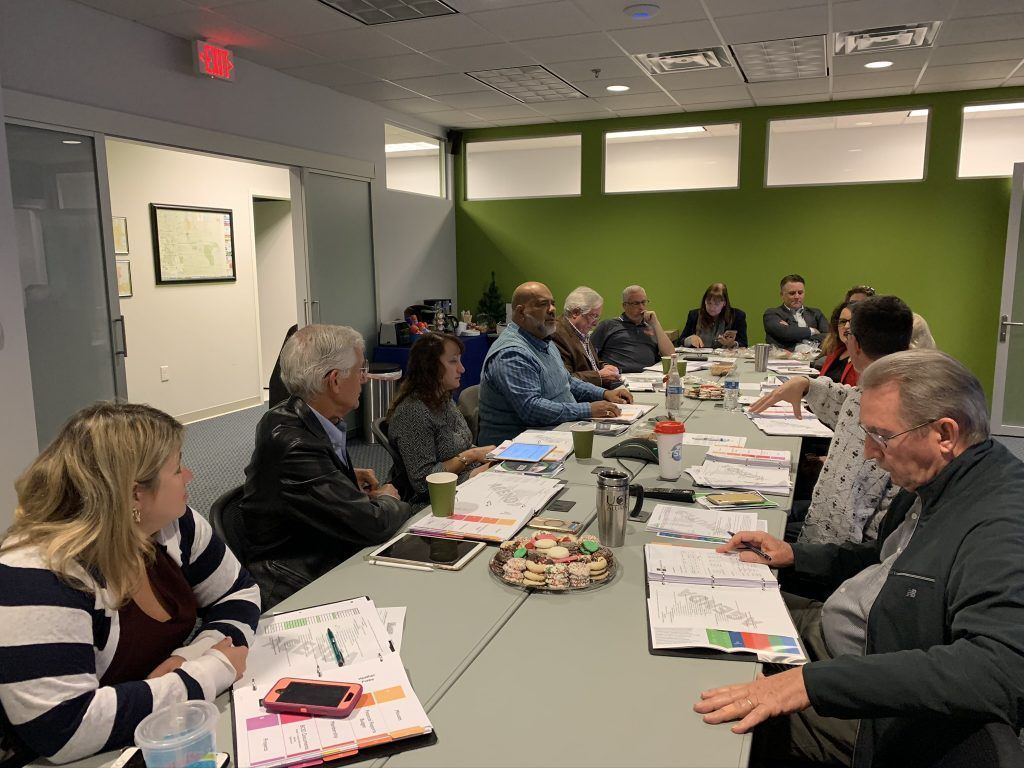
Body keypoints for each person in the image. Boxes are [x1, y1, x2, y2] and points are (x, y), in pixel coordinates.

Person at [695, 349, 1024, 768]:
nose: (869, 451)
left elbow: (1003, 669)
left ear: (945, 433)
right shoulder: (937, 479)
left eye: (881, 436)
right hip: (835, 643)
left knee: (705, 713)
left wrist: (812, 685)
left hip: (875, 709)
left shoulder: (1000, 521)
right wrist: (795, 553)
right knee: (712, 613)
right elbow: (881, 560)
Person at [0, 402, 260, 765]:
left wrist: (187, 655)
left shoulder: (172, 524)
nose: (190, 476)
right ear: (135, 494)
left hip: (145, 734)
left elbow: (239, 593)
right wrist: (212, 669)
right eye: (176, 468)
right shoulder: (37, 573)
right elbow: (64, 728)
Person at [240, 324, 410, 609]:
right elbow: (374, 524)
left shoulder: (290, 416)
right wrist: (389, 499)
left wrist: (339, 478)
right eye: (360, 371)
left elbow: (298, 486)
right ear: (334, 381)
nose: (365, 379)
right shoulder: (295, 445)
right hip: (296, 574)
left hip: (318, 545)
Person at [751, 296, 913, 545]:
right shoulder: (885, 392)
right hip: (833, 539)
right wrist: (806, 385)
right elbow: (847, 402)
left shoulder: (876, 413)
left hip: (834, 554)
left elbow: (842, 533)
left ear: (854, 344)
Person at [478, 282, 633, 446]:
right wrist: (587, 409)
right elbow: (531, 409)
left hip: (555, 433)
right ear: (521, 312)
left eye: (552, 303)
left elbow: (568, 380)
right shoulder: (512, 353)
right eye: (543, 304)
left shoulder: (544, 340)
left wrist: (603, 394)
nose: (552, 309)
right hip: (517, 446)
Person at [387, 333, 495, 500]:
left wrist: (484, 460)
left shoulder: (442, 399)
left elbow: (462, 444)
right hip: (437, 500)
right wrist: (472, 455)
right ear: (430, 367)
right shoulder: (413, 412)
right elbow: (425, 484)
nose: (462, 368)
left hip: (464, 481)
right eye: (453, 361)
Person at [591, 285, 675, 373]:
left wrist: (656, 323)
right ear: (624, 305)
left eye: (644, 302)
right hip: (618, 377)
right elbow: (588, 354)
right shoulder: (608, 325)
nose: (641, 307)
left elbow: (670, 356)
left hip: (649, 376)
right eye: (636, 303)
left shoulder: (652, 327)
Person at [551, 286, 621, 387]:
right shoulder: (557, 334)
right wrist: (599, 376)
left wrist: (604, 366)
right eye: (594, 316)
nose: (595, 324)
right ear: (575, 312)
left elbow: (590, 362)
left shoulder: (580, 331)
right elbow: (565, 378)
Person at [762, 274, 828, 352]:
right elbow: (785, 333)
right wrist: (812, 331)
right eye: (792, 293)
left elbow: (828, 336)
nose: (797, 297)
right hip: (785, 360)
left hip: (814, 358)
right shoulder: (772, 314)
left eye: (800, 293)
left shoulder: (815, 313)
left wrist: (794, 334)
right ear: (782, 295)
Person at [676, 282, 748, 349]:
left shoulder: (737, 316)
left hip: (725, 359)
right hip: (699, 358)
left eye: (717, 304)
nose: (712, 307)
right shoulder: (694, 315)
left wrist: (732, 344)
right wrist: (689, 340)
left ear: (724, 303)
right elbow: (679, 341)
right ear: (704, 301)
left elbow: (744, 344)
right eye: (709, 303)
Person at [816, 302, 857, 385]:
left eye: (852, 322)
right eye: (842, 321)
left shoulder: (865, 358)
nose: (846, 326)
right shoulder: (836, 351)